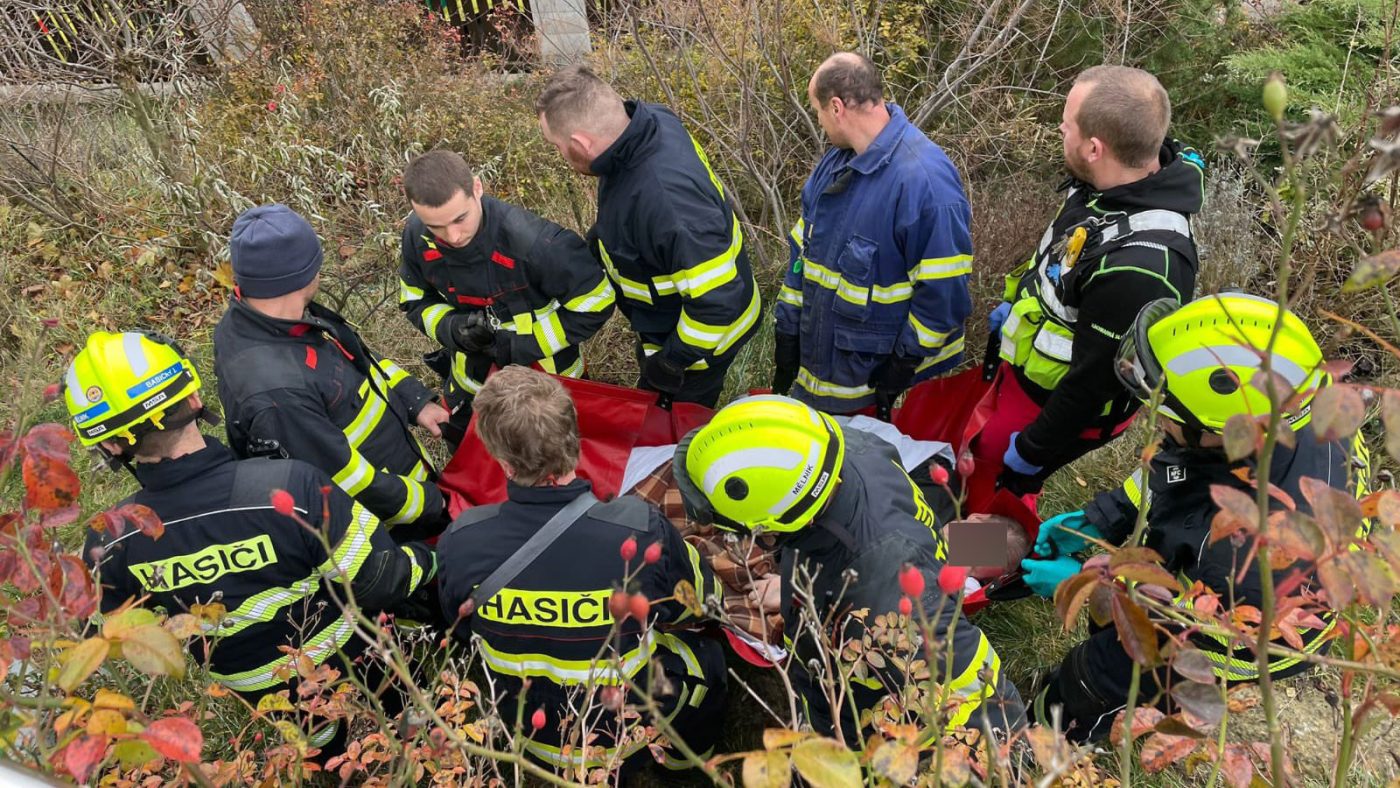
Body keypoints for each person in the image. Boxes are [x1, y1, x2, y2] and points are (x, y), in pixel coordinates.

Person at [1022, 294, 1370, 742]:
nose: (1157, 419)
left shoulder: (1247, 555)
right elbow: (1180, 469)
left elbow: (1200, 636)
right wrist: (1106, 516)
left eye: (1166, 413)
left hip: (1231, 639)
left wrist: (1092, 591)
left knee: (1101, 675)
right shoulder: (1293, 420)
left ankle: (1050, 739)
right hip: (1217, 580)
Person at [70, 331, 435, 754]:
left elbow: (105, 635)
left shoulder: (110, 538)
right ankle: (422, 744)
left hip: (265, 696)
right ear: (192, 398)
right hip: (360, 663)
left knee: (317, 753)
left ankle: (328, 764)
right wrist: (433, 558)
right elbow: (379, 581)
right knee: (410, 716)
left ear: (110, 445)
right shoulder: (290, 487)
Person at [673, 395, 1026, 741]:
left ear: (772, 525)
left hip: (854, 709)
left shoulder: (886, 600)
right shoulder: (842, 446)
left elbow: (988, 707)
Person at [435, 367, 727, 773]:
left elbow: (462, 626)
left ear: (502, 462)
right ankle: (683, 763)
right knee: (708, 659)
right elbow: (699, 603)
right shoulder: (639, 528)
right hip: (629, 734)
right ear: (575, 438)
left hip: (534, 736)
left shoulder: (461, 541)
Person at [973, 65, 1204, 511]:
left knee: (995, 497)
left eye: (1067, 126)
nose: (1059, 130)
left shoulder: (1141, 267)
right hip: (1026, 380)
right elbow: (1060, 257)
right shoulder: (1107, 187)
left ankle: (976, 569)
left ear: (1095, 148)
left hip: (1056, 412)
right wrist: (1016, 300)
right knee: (977, 462)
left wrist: (1032, 452)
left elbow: (1092, 385)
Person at [214, 204, 452, 540]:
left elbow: (359, 360)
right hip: (388, 529)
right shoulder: (277, 394)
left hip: (406, 485)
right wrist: (434, 503)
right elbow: (346, 481)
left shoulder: (275, 317)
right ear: (302, 275)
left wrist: (416, 401)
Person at [536, 65, 761, 408]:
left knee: (676, 422)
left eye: (557, 146)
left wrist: (673, 361)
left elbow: (717, 303)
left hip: (707, 342)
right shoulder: (648, 123)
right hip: (674, 318)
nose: (560, 156)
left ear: (582, 143)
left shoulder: (668, 204)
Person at [773, 52, 972, 416]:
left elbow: (943, 295)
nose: (819, 122)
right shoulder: (834, 164)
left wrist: (902, 366)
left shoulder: (925, 182)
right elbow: (802, 254)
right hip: (822, 372)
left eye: (817, 110)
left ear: (836, 107)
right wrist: (788, 326)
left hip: (878, 387)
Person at [398, 150, 615, 445]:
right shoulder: (416, 236)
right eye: (436, 226)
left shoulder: (538, 244)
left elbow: (597, 299)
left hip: (550, 385)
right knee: (477, 464)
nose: (453, 236)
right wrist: (451, 327)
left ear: (477, 188)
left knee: (559, 458)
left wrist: (526, 344)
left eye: (461, 218)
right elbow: (414, 299)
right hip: (473, 386)